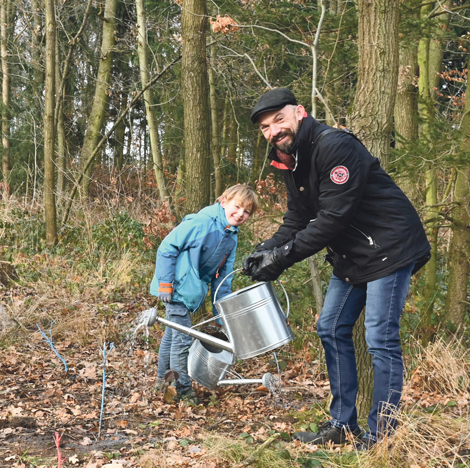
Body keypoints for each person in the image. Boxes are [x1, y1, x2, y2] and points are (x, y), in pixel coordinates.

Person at [243, 88, 431, 448]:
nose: (273, 131)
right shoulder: (287, 157)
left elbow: (332, 219)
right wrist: (265, 249)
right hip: (353, 255)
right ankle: (343, 426)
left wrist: (281, 258)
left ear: (299, 112)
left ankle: (382, 435)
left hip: (390, 247)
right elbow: (298, 217)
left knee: (379, 339)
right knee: (329, 327)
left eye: (278, 120)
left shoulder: (335, 146)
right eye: (266, 127)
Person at [151, 184, 260, 403]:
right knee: (181, 340)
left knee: (172, 336)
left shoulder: (231, 236)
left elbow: (223, 278)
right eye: (237, 207)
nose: (240, 214)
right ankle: (183, 391)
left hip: (190, 290)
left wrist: (220, 314)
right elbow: (167, 247)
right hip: (176, 287)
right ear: (224, 201)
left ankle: (161, 384)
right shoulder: (202, 223)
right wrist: (165, 284)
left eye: (246, 211)